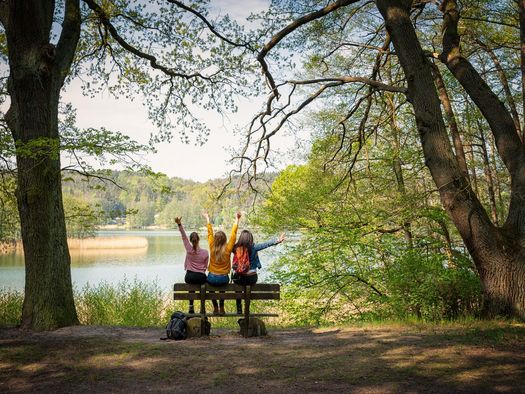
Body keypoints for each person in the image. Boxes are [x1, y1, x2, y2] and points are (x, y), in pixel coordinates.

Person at [232, 230, 285, 314]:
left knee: (238, 287)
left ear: (241, 238)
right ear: (250, 238)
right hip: (252, 278)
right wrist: (277, 240)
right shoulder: (254, 247)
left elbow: (228, 244)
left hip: (240, 278)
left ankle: (239, 308)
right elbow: (266, 244)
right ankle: (247, 309)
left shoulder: (235, 248)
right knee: (248, 290)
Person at [204, 211, 241, 315]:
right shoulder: (228, 249)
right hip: (224, 279)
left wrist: (207, 218)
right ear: (225, 239)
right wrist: (237, 220)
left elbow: (209, 233)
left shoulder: (212, 246)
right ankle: (221, 306)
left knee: (210, 287)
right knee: (222, 288)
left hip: (211, 278)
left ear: (215, 240)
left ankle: (215, 306)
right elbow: (233, 236)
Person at [175, 216, 209, 314]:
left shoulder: (189, 249)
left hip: (189, 277)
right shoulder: (205, 252)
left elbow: (183, 236)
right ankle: (202, 307)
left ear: (191, 241)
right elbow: (205, 267)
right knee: (203, 286)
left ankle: (191, 307)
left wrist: (179, 224)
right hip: (200, 277)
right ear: (198, 240)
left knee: (191, 287)